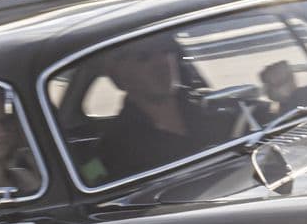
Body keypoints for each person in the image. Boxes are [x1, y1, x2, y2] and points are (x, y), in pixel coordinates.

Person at [95, 32, 234, 181]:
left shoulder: (211, 104)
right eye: (144, 57)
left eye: (166, 51)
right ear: (120, 74)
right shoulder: (116, 145)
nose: (162, 63)